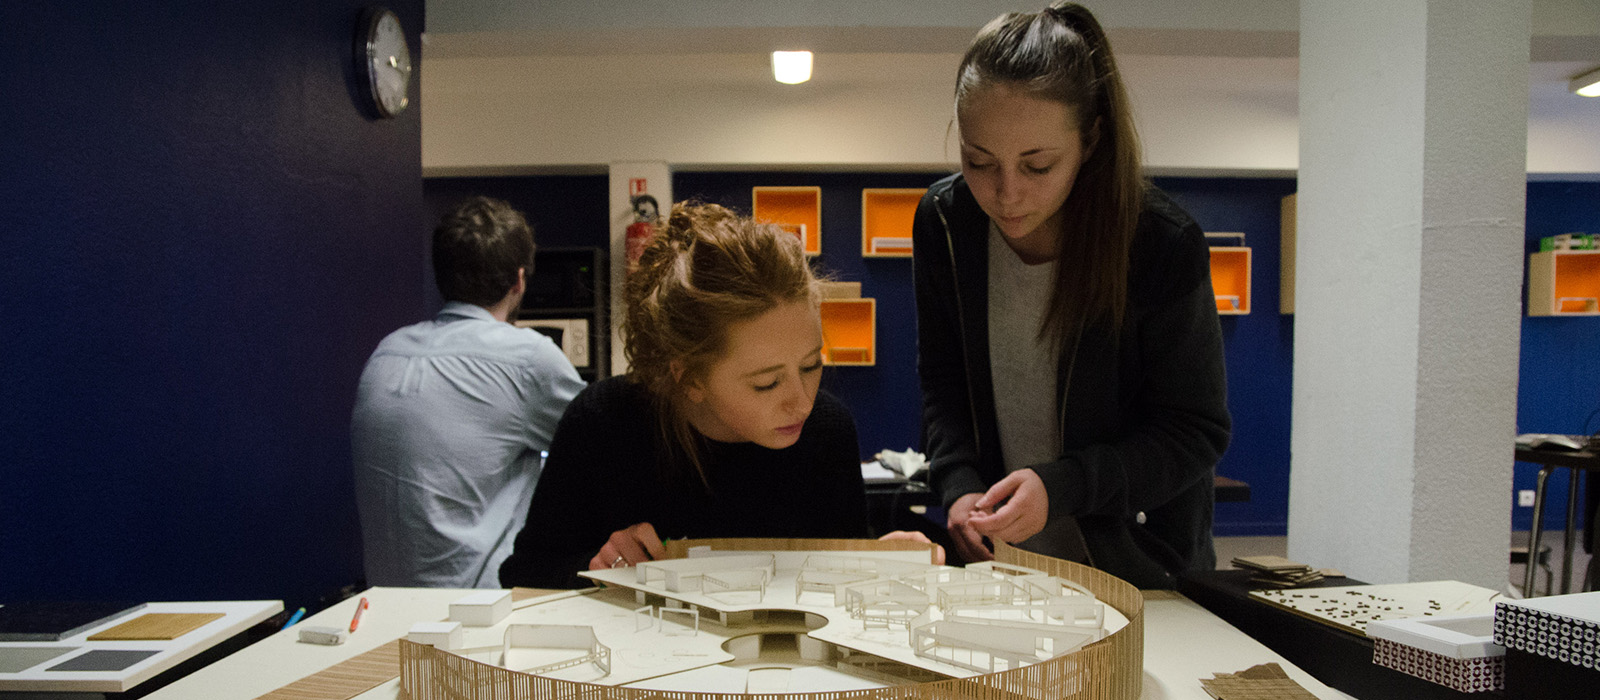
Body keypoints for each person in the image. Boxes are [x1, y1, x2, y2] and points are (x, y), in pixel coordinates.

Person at [913, 1, 1231, 589]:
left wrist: (1061, 487)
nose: (1006, 195)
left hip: (1139, 570)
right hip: (1000, 569)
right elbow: (944, 382)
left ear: (1090, 140)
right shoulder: (944, 222)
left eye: (1038, 166)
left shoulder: (1160, 242)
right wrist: (958, 486)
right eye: (978, 161)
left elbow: (1195, 431)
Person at [500, 202, 937, 589]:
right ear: (689, 377)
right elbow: (526, 574)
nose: (801, 402)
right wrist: (594, 567)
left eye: (811, 365)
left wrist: (876, 563)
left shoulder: (826, 430)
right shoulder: (603, 424)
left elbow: (835, 585)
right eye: (766, 383)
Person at [352, 196, 585, 588]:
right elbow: (606, 448)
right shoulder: (527, 357)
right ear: (519, 280)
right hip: (478, 618)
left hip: (387, 611)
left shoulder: (387, 351)